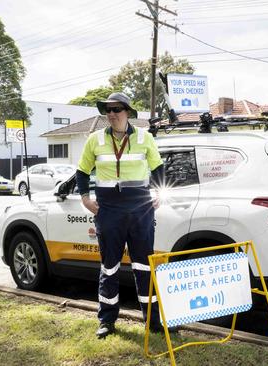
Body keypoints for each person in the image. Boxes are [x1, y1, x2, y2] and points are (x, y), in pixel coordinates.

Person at [76, 92, 166, 339]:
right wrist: (85, 198)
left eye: (117, 109)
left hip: (140, 208)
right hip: (109, 209)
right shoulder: (94, 140)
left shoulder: (145, 137)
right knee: (109, 266)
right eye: (108, 110)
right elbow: (82, 172)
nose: (111, 114)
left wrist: (160, 193)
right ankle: (106, 321)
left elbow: (158, 168)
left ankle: (153, 321)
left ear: (127, 112)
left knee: (144, 266)